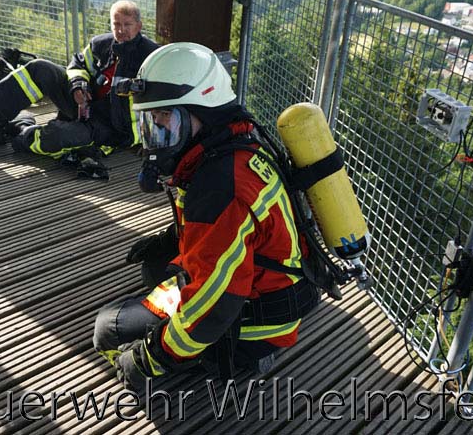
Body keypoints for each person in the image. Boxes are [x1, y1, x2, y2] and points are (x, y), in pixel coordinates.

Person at [93, 42, 320, 390]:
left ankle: (245, 353)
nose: (157, 131)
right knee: (155, 267)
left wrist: (147, 359)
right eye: (152, 120)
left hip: (257, 316)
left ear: (202, 112)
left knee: (108, 330)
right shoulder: (236, 143)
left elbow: (212, 308)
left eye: (165, 117)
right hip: (276, 285)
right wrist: (168, 241)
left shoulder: (218, 186)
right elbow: (234, 232)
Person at [0, 0, 158, 158]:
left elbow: (161, 103)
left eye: (127, 25)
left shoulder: (152, 56)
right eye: (116, 24)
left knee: (59, 136)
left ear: (139, 26)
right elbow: (78, 64)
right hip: (81, 105)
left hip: (111, 129)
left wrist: (149, 143)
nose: (121, 30)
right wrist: (78, 86)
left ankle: (20, 131)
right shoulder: (100, 44)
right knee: (40, 67)